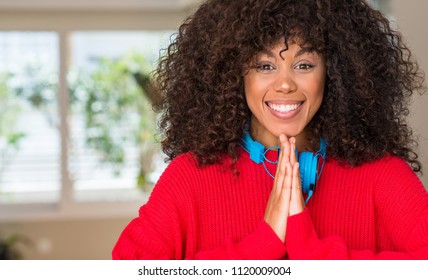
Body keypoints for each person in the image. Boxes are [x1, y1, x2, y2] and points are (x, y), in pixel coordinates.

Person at [113, 0, 428, 259]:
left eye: (304, 65)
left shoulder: (382, 175)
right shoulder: (190, 177)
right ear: (234, 74)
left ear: (334, 72)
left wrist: (310, 251)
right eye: (265, 66)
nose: (285, 83)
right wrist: (263, 243)